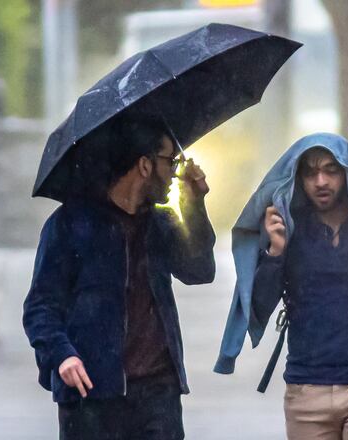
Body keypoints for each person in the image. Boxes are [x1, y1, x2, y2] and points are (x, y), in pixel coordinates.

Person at [214, 133, 348, 440]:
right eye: (311, 172)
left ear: (347, 173)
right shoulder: (291, 228)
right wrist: (276, 252)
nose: (321, 181)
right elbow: (259, 308)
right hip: (307, 390)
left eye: (331, 170)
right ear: (298, 178)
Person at [23, 117, 216, 440]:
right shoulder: (71, 224)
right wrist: (62, 355)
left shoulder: (161, 223)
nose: (175, 172)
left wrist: (194, 205)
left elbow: (199, 271)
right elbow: (40, 307)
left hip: (158, 395)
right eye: (171, 161)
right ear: (144, 165)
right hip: (91, 397)